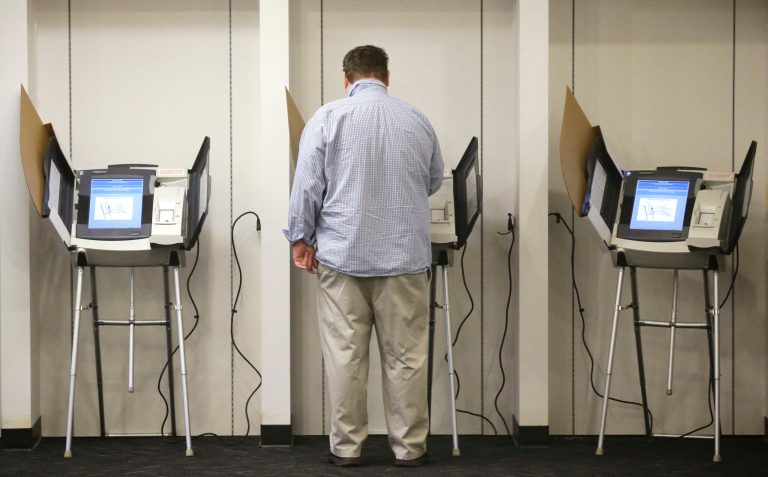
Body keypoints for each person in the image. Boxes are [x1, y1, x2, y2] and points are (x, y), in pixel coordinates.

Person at [284, 45, 443, 467]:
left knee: (345, 357)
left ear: (346, 78)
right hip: (404, 260)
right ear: (387, 77)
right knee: (407, 358)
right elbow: (431, 181)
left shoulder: (326, 119)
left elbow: (306, 189)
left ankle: (347, 449)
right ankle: (410, 449)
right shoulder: (417, 120)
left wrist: (300, 238)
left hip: (342, 258)